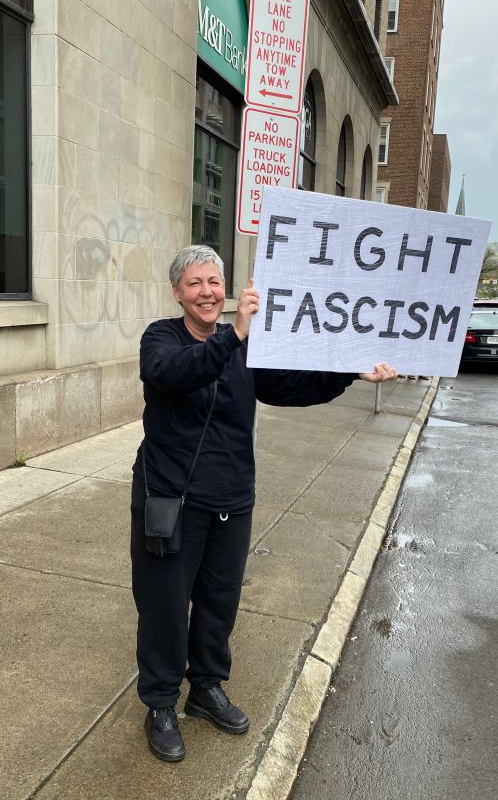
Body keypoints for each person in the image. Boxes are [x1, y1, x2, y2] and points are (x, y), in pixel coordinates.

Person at [131, 244, 398, 762]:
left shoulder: (245, 350)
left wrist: (348, 371)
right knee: (163, 607)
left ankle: (206, 688)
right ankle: (161, 703)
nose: (207, 292)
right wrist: (234, 334)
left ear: (225, 289)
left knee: (219, 603)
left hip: (231, 498)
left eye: (214, 282)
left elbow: (289, 387)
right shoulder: (161, 339)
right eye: (195, 284)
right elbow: (176, 374)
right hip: (171, 500)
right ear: (177, 293)